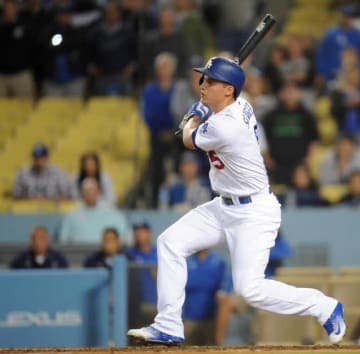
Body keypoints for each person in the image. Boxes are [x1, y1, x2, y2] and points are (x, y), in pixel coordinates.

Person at [127, 56, 346, 345]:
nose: (202, 84)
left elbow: (187, 138)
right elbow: (208, 116)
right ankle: (168, 324)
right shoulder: (240, 104)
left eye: (210, 80)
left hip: (253, 213)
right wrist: (205, 106)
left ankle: (325, 306)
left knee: (250, 290)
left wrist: (194, 115)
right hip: (223, 206)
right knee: (170, 242)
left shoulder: (226, 125)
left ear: (229, 90)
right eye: (203, 78)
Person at [263, 81, 320, 185]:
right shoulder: (271, 116)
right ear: (281, 94)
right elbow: (262, 139)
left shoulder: (307, 115)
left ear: (298, 94)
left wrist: (308, 160)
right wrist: (267, 159)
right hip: (276, 166)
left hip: (300, 166)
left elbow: (314, 139)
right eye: (287, 92)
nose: (289, 95)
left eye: (292, 92)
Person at [141, 52, 179, 208]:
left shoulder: (178, 88)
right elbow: (147, 113)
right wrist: (159, 130)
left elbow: (182, 110)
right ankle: (155, 203)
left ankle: (176, 201)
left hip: (177, 136)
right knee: (156, 171)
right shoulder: (149, 90)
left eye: (167, 67)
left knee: (176, 168)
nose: (164, 70)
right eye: (161, 67)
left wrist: (174, 130)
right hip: (156, 136)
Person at [86, 0, 136, 96]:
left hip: (123, 75)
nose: (111, 14)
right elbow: (89, 51)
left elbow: (134, 50)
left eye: (114, 12)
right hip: (102, 76)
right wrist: (92, 66)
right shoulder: (96, 31)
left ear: (119, 13)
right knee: (101, 107)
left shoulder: (128, 30)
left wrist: (132, 67)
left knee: (124, 107)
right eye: (108, 12)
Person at [183, 249, 232, 345]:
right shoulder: (186, 262)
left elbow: (225, 288)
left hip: (211, 318)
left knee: (212, 347)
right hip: (189, 318)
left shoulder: (218, 262)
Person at [313, 3, 360, 90]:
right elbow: (321, 55)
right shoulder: (330, 34)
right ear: (341, 16)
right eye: (345, 15)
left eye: (350, 16)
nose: (347, 18)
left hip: (352, 80)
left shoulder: (358, 35)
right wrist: (321, 72)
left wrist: (357, 74)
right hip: (331, 78)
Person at [59, 177, 128, 244]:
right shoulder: (72, 215)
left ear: (98, 192)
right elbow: (63, 239)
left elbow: (125, 237)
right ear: (82, 193)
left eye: (93, 191)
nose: (90, 194)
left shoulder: (113, 214)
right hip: (77, 253)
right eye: (87, 191)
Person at [0, 0, 35, 97]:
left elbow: (32, 47)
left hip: (21, 74)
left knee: (25, 107)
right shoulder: (1, 27)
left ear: (16, 8)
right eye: (6, 8)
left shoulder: (25, 25)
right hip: (2, 75)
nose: (8, 11)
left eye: (10, 8)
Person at [330, 64, 360, 146]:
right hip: (342, 130)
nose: (352, 78)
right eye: (350, 75)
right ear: (345, 76)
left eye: (355, 75)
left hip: (359, 130)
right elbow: (333, 111)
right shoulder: (338, 92)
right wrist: (346, 104)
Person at [127, 220, 157, 306]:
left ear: (149, 233)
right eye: (136, 231)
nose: (138, 234)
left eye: (142, 231)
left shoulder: (159, 253)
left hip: (157, 302)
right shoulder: (129, 254)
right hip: (136, 303)